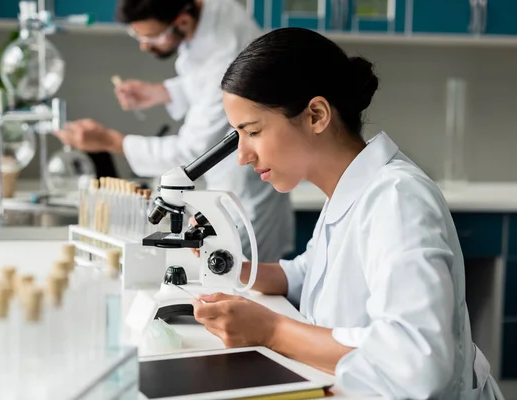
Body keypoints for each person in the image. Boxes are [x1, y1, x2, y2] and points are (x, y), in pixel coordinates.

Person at [190, 27, 505, 400]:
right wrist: (228, 265)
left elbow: (418, 361)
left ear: (316, 115)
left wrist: (272, 331)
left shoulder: (396, 198)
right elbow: (307, 274)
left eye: (253, 131)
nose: (242, 155)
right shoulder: (348, 190)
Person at [54, 0, 295, 262]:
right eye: (138, 36)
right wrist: (162, 92)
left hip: (245, 195)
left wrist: (110, 141)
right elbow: (203, 80)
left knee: (245, 280)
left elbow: (192, 152)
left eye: (152, 37)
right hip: (231, 186)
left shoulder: (225, 45)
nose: (144, 46)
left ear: (181, 21)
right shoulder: (212, 13)